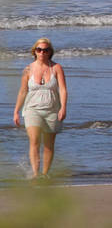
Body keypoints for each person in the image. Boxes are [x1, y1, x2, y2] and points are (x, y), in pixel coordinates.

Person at [12, 38, 68, 179]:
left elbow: (62, 89)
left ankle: (45, 174)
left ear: (50, 52)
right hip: (32, 109)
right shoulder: (28, 69)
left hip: (52, 110)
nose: (42, 52)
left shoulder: (56, 68)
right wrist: (16, 111)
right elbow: (23, 91)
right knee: (34, 141)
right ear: (34, 51)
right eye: (39, 49)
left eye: (45, 50)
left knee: (49, 145)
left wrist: (63, 108)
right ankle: (36, 174)